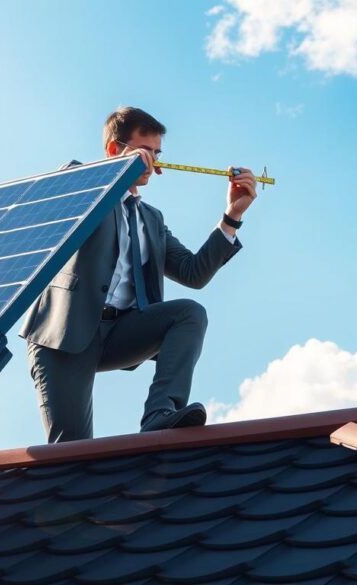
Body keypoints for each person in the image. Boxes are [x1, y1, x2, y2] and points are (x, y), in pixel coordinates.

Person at [18, 106, 258, 443]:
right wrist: (115, 173)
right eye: (146, 151)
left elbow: (194, 273)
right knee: (71, 451)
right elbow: (64, 183)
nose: (155, 162)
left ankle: (160, 414)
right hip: (64, 335)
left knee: (189, 313)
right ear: (115, 150)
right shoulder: (86, 189)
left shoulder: (152, 219)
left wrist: (232, 215)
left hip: (121, 331)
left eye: (158, 153)